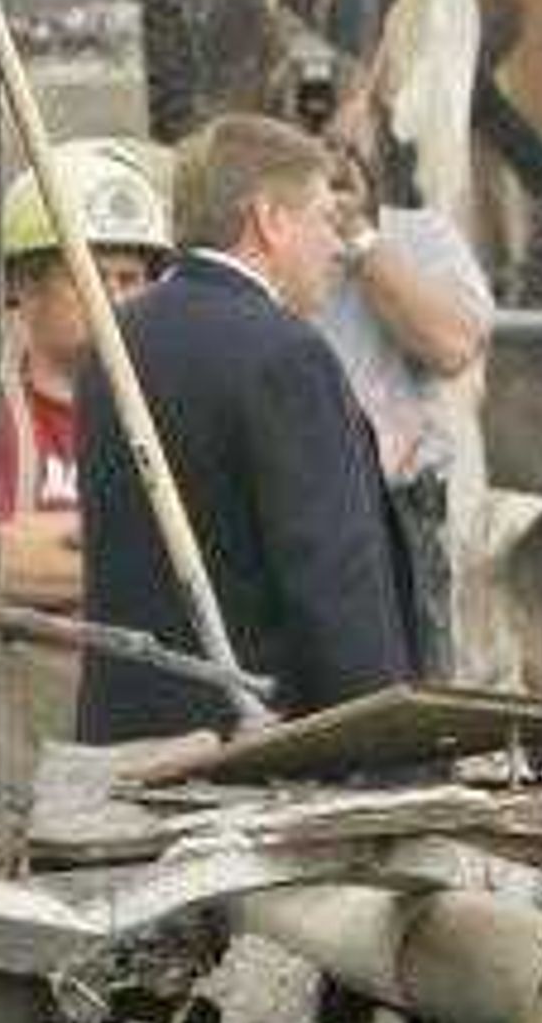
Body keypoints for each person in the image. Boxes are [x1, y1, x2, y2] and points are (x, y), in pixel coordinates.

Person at [73, 113, 430, 741]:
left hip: (127, 743)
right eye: (324, 219)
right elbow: (333, 583)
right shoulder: (285, 355)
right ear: (268, 219)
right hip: (255, 753)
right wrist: (388, 748)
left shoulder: (114, 342)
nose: (337, 245)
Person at [313, 144, 493, 673]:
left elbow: (452, 345)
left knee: (411, 675)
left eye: (341, 142)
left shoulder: (420, 236)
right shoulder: (267, 245)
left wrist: (361, 241)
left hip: (400, 506)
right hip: (306, 499)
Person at [0, 137, 172, 613]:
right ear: (24, 286)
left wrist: (66, 546)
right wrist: (140, 554)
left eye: (129, 280)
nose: (110, 299)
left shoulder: (171, 410)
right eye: (85, 277)